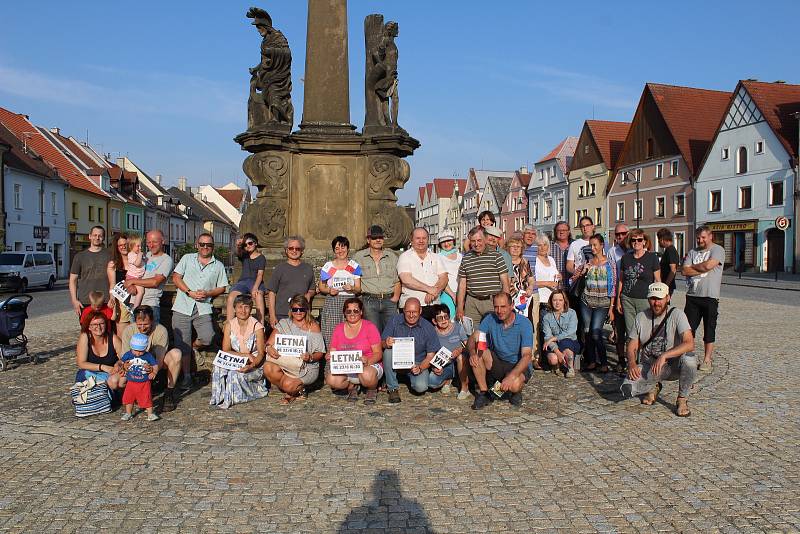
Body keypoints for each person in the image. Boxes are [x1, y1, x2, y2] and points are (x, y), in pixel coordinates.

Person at [621, 282, 696, 417]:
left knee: (690, 359)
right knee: (627, 389)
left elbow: (689, 343)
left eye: (660, 298)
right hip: (651, 367)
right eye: (653, 298)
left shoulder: (677, 314)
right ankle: (654, 386)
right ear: (648, 299)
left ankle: (682, 399)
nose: (656, 303)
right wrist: (631, 363)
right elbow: (632, 344)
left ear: (667, 298)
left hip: (674, 365)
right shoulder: (641, 317)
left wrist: (664, 356)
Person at [171, 233, 229, 389]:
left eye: (208, 245)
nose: (205, 247)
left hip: (203, 307)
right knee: (181, 343)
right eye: (202, 244)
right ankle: (186, 377)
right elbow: (176, 277)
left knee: (208, 336)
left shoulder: (218, 265)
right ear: (197, 245)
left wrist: (208, 293)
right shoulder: (187, 258)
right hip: (183, 304)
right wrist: (189, 292)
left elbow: (222, 286)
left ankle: (194, 347)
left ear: (212, 247)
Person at [470, 292, 533, 410]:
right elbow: (473, 338)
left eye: (503, 307)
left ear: (511, 305)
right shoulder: (490, 319)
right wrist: (473, 352)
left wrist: (512, 376)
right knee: (479, 353)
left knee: (514, 385)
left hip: (518, 363)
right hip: (499, 361)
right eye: (496, 307)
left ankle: (513, 392)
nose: (499, 311)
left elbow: (527, 356)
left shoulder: (524, 323)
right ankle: (484, 392)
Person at [210, 294, 269, 409]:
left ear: (250, 309)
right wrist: (245, 355)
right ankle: (218, 397)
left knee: (234, 374)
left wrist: (251, 365)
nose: (243, 310)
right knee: (217, 367)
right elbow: (226, 350)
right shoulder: (229, 325)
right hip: (238, 360)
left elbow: (261, 354)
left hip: (255, 365)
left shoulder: (257, 327)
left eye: (246, 307)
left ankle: (234, 397)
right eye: (239, 307)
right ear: (235, 308)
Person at [263, 295, 325, 405]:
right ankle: (295, 389)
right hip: (286, 364)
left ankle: (294, 389)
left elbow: (320, 352)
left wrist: (310, 357)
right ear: (291, 310)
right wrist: (269, 348)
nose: (298, 312)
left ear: (306, 310)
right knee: (268, 367)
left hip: (306, 366)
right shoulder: (284, 323)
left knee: (288, 385)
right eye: (295, 309)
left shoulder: (313, 326)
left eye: (301, 309)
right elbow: (269, 343)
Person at [121, 305, 183, 412]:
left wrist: (153, 370)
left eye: (146, 324)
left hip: (155, 363)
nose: (142, 328)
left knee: (176, 354)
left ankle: (169, 392)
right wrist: (125, 367)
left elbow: (159, 357)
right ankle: (130, 394)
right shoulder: (128, 331)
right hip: (135, 367)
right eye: (139, 325)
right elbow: (125, 356)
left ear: (152, 321)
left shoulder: (161, 330)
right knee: (119, 380)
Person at [681, 225, 725, 372]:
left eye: (703, 237)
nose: (700, 240)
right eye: (698, 238)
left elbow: (709, 265)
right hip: (692, 296)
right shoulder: (693, 251)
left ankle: (707, 360)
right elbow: (684, 270)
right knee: (688, 329)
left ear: (710, 236)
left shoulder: (717, 250)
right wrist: (698, 267)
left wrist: (692, 267)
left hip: (710, 296)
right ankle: (689, 356)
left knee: (709, 328)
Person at [381, 298, 442, 402]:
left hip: (417, 362)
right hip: (397, 360)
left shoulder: (428, 327)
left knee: (421, 387)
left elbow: (430, 355)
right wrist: (386, 343)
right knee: (387, 352)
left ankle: (406, 377)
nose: (411, 315)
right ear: (403, 310)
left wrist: (421, 368)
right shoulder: (394, 320)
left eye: (414, 312)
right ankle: (392, 388)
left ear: (420, 311)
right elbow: (381, 343)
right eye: (408, 312)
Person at [325, 298, 383, 404]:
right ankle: (352, 386)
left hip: (369, 366)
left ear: (361, 312)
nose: (352, 314)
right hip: (348, 368)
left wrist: (368, 361)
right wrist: (329, 356)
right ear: (344, 313)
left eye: (356, 310)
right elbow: (332, 351)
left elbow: (378, 353)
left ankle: (371, 389)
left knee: (366, 375)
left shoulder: (369, 327)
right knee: (331, 379)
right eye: (348, 311)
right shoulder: (338, 329)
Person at [574, 234, 617, 373]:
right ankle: (592, 361)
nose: (592, 248)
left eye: (595, 245)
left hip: (603, 303)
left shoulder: (610, 263)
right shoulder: (587, 263)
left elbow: (614, 286)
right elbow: (574, 279)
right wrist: (582, 271)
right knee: (587, 332)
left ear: (602, 246)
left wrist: (611, 307)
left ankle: (604, 362)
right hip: (586, 301)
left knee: (596, 333)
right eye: (590, 245)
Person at [616, 228, 661, 352]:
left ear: (645, 241)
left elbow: (657, 280)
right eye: (633, 240)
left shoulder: (652, 258)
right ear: (630, 242)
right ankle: (633, 361)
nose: (637, 242)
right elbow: (621, 280)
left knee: (645, 330)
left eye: (640, 239)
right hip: (627, 299)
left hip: (645, 299)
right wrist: (618, 300)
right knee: (631, 331)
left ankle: (644, 358)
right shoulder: (625, 258)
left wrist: (659, 299)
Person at [456, 226, 510, 328]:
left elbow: (505, 282)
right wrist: (460, 307)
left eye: (479, 240)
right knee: (471, 334)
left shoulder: (496, 256)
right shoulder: (466, 258)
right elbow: (462, 284)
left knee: (493, 331)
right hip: (472, 302)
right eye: (473, 241)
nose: (476, 244)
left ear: (485, 239)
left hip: (491, 301)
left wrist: (505, 303)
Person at [352, 225, 400, 334]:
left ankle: (388, 352)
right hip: (369, 301)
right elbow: (353, 277)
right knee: (374, 334)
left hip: (389, 300)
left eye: (380, 237)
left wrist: (395, 298)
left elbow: (397, 280)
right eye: (374, 237)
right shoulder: (358, 257)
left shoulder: (392, 257)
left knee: (391, 333)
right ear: (368, 240)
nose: (378, 240)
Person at [319, 236, 363, 349]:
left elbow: (358, 288)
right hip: (333, 302)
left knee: (349, 332)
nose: (340, 251)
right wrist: (329, 290)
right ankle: (330, 362)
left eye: (343, 247)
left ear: (348, 249)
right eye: (337, 248)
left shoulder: (354, 266)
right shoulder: (328, 266)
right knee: (330, 332)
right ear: (334, 250)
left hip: (349, 301)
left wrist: (352, 288)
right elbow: (321, 286)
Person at [396, 227, 448, 322]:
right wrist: (429, 289)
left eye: (424, 238)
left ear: (428, 240)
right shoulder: (405, 257)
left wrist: (434, 291)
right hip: (412, 308)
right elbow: (407, 280)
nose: (421, 241)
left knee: (432, 335)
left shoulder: (436, 257)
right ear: (412, 240)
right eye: (418, 238)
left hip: (434, 305)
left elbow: (444, 278)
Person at [123, 230, 173, 326]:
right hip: (134, 303)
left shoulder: (166, 260)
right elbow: (131, 273)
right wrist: (130, 285)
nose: (151, 245)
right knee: (135, 338)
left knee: (150, 338)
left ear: (163, 241)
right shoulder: (145, 255)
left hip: (150, 305)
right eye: (149, 242)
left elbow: (155, 282)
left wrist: (132, 281)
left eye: (154, 242)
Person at [265, 235, 316, 329]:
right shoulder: (279, 268)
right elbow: (272, 293)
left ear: (302, 251)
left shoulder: (308, 268)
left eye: (297, 248)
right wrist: (272, 315)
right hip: (282, 313)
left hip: (301, 314)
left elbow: (312, 289)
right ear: (286, 250)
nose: (294, 251)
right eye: (291, 248)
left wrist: (309, 294)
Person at [75, 310, 125, 391]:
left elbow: (125, 358)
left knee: (117, 380)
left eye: (101, 323)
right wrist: (103, 367)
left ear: (106, 325)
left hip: (111, 375)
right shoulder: (85, 336)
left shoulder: (113, 338)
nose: (98, 327)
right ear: (89, 327)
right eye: (94, 324)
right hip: (91, 374)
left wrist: (118, 363)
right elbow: (81, 363)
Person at [69, 225, 110, 318]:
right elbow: (73, 280)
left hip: (105, 301)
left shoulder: (109, 255)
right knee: (86, 330)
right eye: (95, 235)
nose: (97, 238)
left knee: (106, 330)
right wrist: (74, 300)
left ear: (103, 238)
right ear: (89, 236)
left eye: (100, 235)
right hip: (85, 301)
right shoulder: (80, 256)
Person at [431, 304, 470, 400]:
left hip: (460, 360)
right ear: (434, 321)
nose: (444, 320)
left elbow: (468, 345)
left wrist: (460, 349)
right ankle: (448, 379)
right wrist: (433, 367)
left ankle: (465, 389)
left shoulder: (458, 327)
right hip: (444, 364)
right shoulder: (432, 332)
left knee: (461, 357)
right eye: (440, 318)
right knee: (431, 382)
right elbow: (430, 352)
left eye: (446, 317)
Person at [120, 333, 160, 421]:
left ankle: (150, 414)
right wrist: (123, 367)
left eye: (141, 351)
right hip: (131, 382)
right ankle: (128, 413)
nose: (138, 353)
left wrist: (154, 372)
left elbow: (155, 364)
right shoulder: (128, 354)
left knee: (147, 397)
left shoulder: (148, 355)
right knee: (129, 398)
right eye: (135, 350)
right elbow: (121, 362)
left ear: (145, 348)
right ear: (131, 347)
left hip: (144, 382)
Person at [228, 233, 267, 323]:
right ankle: (229, 325)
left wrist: (255, 287)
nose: (248, 246)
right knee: (231, 297)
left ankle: (261, 325)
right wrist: (238, 244)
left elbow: (260, 275)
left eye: (250, 243)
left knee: (259, 297)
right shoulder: (244, 256)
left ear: (255, 243)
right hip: (243, 282)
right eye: (245, 245)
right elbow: (237, 252)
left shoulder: (261, 258)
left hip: (256, 282)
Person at [541, 289, 581, 378]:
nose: (557, 303)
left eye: (560, 300)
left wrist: (554, 338)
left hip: (570, 342)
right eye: (555, 300)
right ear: (551, 301)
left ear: (564, 301)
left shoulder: (571, 313)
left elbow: (571, 332)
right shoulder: (547, 317)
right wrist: (557, 352)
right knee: (553, 359)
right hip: (554, 344)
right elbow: (547, 337)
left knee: (566, 344)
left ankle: (570, 368)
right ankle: (557, 366)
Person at [608, 224, 630, 372]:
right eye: (617, 234)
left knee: (634, 331)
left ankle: (633, 359)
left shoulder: (635, 247)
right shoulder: (612, 252)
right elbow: (612, 277)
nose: (620, 236)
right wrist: (613, 300)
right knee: (619, 329)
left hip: (633, 294)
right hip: (618, 294)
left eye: (623, 234)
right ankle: (621, 360)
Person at [506, 236, 536, 322]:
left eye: (518, 246)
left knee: (524, 323)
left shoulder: (525, 262)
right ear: (508, 248)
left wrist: (530, 287)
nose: (516, 249)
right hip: (509, 299)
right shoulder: (503, 261)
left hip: (525, 298)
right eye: (513, 246)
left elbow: (530, 278)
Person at [106, 233, 130, 334]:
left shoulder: (137, 261)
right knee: (122, 335)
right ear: (117, 247)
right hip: (121, 302)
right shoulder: (113, 264)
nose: (123, 247)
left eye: (125, 244)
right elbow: (112, 284)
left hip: (136, 300)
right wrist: (111, 298)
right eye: (120, 245)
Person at [436, 230, 462, 318]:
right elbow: (441, 279)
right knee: (449, 319)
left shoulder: (460, 256)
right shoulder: (438, 257)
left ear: (453, 241)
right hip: (447, 294)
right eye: (443, 242)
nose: (446, 244)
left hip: (461, 293)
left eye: (448, 241)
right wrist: (453, 295)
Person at [657, 228, 680, 296]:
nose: (658, 242)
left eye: (659, 240)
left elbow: (673, 270)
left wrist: (665, 286)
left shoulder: (671, 251)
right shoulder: (668, 250)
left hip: (667, 286)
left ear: (662, 239)